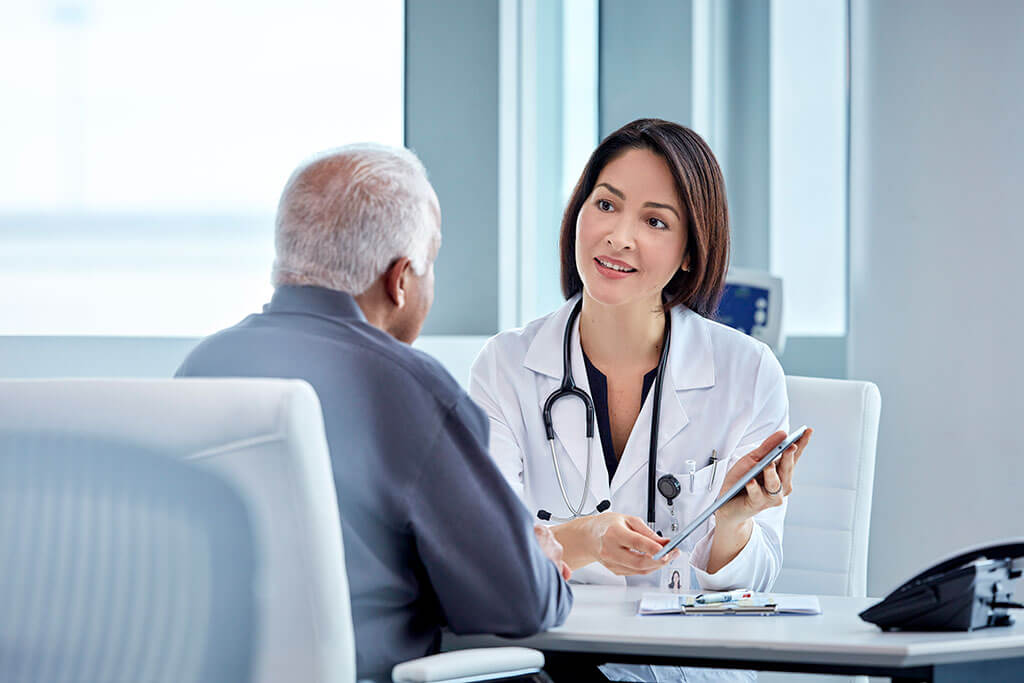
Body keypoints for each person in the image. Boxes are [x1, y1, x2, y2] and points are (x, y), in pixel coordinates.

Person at [176, 144, 572, 683]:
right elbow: (521, 603)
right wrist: (538, 556)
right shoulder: (409, 387)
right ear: (401, 279)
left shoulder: (204, 366)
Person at [469, 119, 812, 681]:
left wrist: (732, 524)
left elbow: (757, 586)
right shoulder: (505, 366)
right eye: (606, 205)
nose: (619, 235)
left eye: (655, 221)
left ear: (688, 253)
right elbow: (486, 558)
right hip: (551, 658)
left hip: (685, 668)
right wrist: (584, 540)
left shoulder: (747, 372)